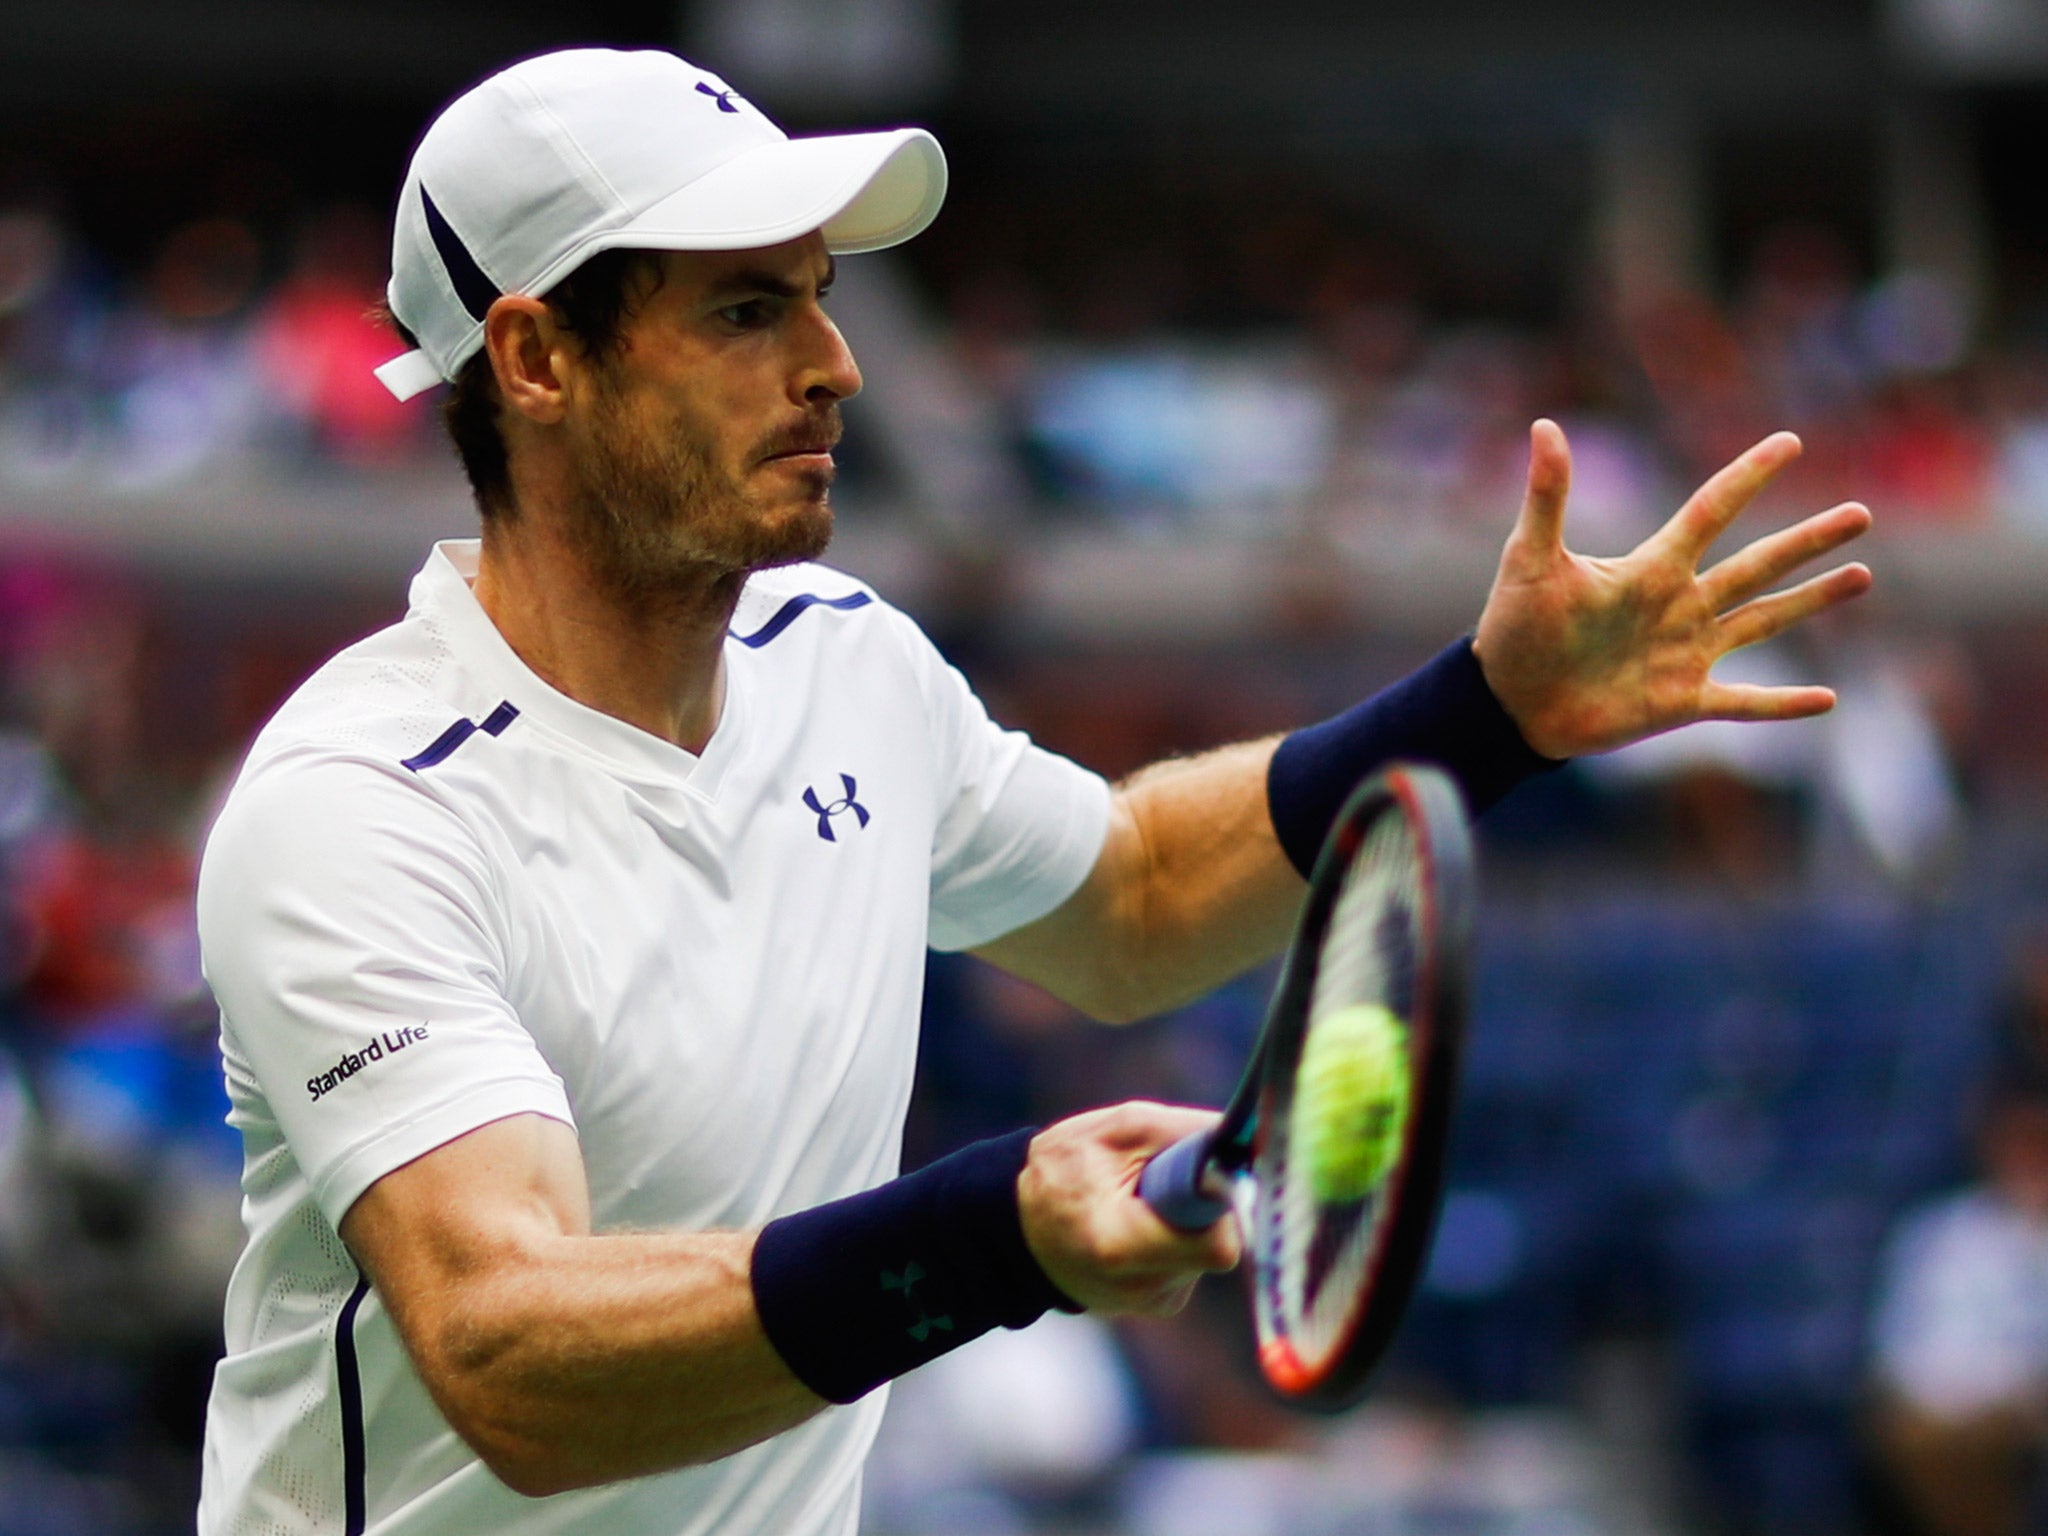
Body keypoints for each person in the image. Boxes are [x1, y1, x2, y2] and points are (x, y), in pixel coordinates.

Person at [193, 47, 1873, 1536]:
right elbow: (515, 1353)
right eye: (745, 310)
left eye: (819, 293)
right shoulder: (357, 809)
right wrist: (996, 1238)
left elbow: (1131, 899)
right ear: (538, 357)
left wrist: (1491, 714)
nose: (837, 364)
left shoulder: (846, 660)